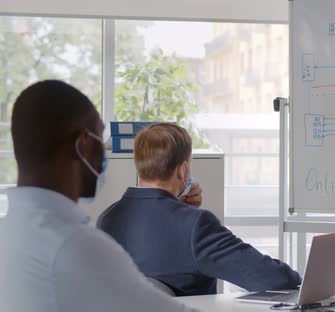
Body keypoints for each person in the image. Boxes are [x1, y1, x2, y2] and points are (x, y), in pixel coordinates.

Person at [0, 80, 198, 312]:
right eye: (99, 139)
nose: (104, 153)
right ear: (84, 145)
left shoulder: (9, 231)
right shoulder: (78, 246)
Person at [97, 123, 301, 296]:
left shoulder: (107, 219)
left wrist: (180, 209)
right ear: (182, 170)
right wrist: (297, 277)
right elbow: (272, 279)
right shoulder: (195, 225)